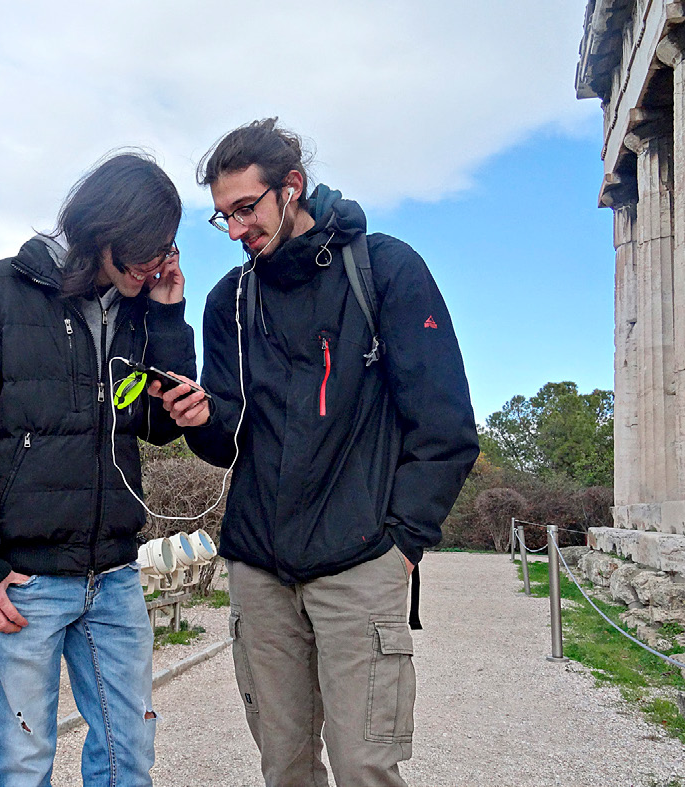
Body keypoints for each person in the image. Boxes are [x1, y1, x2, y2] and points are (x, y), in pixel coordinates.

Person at [154, 119, 480, 787]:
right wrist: (202, 416)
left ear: (291, 187)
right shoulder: (229, 302)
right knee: (286, 768)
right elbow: (229, 442)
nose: (236, 228)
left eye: (246, 208)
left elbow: (444, 428)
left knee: (365, 767)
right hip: (258, 567)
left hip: (361, 562)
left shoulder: (385, 269)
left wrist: (403, 544)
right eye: (223, 217)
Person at [0, 152, 196, 787]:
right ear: (104, 231)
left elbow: (157, 424)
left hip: (116, 576)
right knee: (23, 761)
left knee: (131, 752)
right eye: (146, 253)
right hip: (23, 582)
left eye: (165, 251)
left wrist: (167, 316)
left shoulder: (137, 308)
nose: (156, 265)